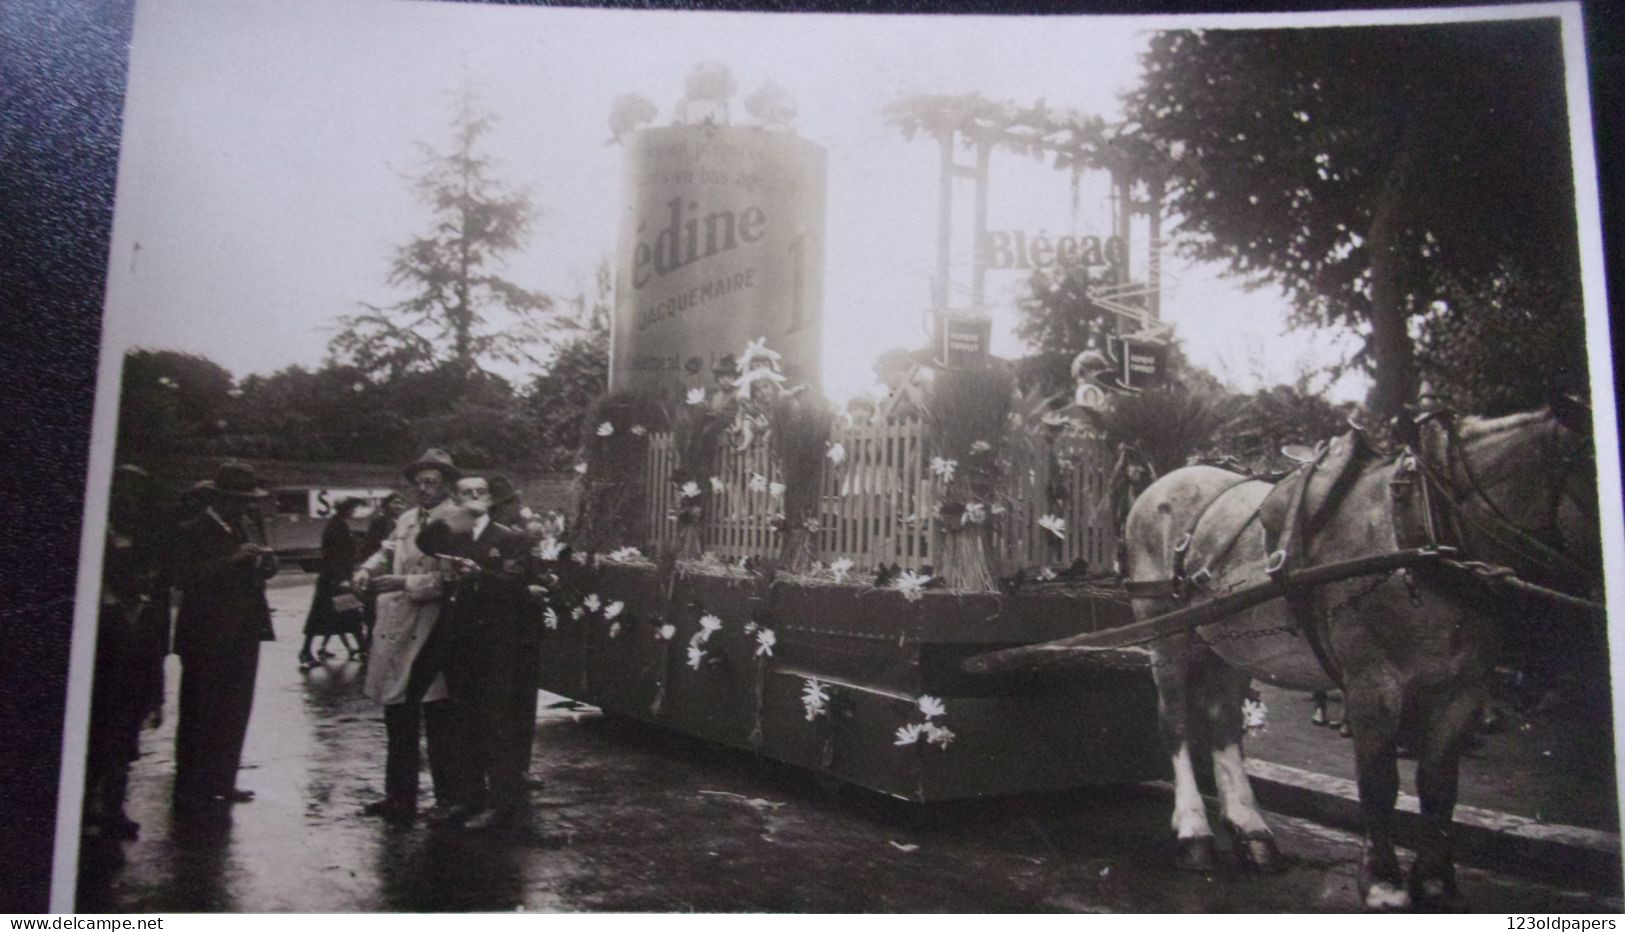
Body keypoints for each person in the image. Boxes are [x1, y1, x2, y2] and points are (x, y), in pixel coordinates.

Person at [352, 449, 470, 824]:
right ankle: (399, 797)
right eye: (419, 482)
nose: (424, 488)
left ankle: (448, 799)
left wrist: (406, 581)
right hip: (399, 628)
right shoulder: (405, 519)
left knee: (439, 719)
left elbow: (454, 579)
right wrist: (365, 569)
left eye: (432, 482)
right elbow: (387, 550)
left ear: (447, 485)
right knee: (398, 715)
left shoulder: (457, 522)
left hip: (436, 627)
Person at [170, 460, 279, 813]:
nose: (245, 505)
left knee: (235, 708)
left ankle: (223, 781)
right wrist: (233, 558)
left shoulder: (245, 526)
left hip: (245, 629)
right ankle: (190, 788)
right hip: (206, 633)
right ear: (220, 498)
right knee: (200, 710)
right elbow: (181, 577)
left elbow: (263, 572)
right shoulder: (192, 529)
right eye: (238, 498)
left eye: (248, 498)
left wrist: (265, 562)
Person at [432, 476, 536, 830]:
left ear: (491, 499)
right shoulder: (453, 536)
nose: (474, 497)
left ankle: (502, 804)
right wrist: (450, 522)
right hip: (459, 643)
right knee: (463, 723)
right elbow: (426, 545)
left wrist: (480, 574)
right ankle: (468, 798)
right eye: (466, 493)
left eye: (480, 492)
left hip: (495, 645)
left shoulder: (510, 538)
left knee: (496, 723)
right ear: (456, 499)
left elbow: (516, 583)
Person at [82, 465, 170, 839]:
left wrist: (154, 695)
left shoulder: (142, 605)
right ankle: (92, 807)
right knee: (101, 745)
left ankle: (109, 808)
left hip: (127, 683)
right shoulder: (100, 608)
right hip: (106, 681)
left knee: (119, 747)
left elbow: (153, 653)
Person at [300, 497, 366, 666]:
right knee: (348, 614)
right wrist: (342, 579)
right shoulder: (338, 526)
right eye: (352, 508)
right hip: (335, 580)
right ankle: (364, 648)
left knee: (324, 617)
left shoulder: (336, 524)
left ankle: (306, 651)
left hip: (331, 579)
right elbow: (336, 555)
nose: (354, 511)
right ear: (345, 509)